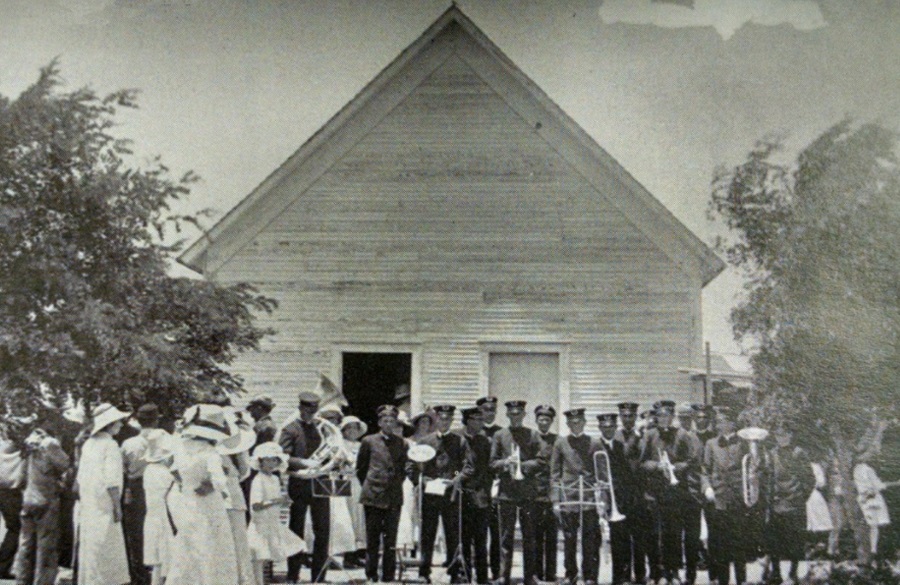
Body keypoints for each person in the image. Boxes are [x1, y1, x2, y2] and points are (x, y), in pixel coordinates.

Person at [166, 404, 239, 585]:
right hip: (208, 505)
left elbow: (173, 469)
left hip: (188, 502)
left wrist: (187, 482)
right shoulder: (209, 453)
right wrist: (212, 485)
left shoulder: (181, 448)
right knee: (211, 546)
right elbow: (220, 481)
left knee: (189, 544)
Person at [639, 400, 694, 585]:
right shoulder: (649, 435)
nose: (664, 419)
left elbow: (689, 461)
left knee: (674, 533)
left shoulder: (683, 435)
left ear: (672, 417)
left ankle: (674, 571)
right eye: (661, 416)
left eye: (667, 416)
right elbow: (642, 462)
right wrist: (657, 466)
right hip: (654, 493)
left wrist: (674, 468)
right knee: (655, 534)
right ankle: (657, 572)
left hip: (675, 492)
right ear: (657, 418)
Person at [76, 403, 131, 585]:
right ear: (110, 424)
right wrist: (117, 506)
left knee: (93, 548)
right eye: (118, 422)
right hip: (105, 504)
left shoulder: (88, 445)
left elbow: (80, 478)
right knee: (108, 548)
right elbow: (112, 481)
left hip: (90, 504)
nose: (121, 425)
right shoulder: (110, 445)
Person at [409, 404, 465, 583]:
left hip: (451, 494)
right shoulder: (425, 441)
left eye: (448, 419)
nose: (444, 422)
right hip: (430, 494)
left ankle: (454, 572)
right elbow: (412, 467)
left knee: (452, 534)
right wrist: (423, 480)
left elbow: (464, 467)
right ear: (437, 420)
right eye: (441, 418)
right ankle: (424, 573)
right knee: (427, 533)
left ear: (451, 420)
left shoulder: (460, 441)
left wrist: (456, 479)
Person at [279, 391, 331, 583]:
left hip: (320, 483)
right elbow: (282, 456)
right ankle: (293, 575)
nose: (311, 414)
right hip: (299, 484)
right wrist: (303, 463)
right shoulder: (290, 429)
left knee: (323, 531)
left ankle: (319, 577)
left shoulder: (322, 428)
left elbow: (331, 450)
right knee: (296, 530)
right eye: (308, 410)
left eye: (314, 410)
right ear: (300, 408)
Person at [490, 400, 541, 585]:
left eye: (519, 414)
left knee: (529, 536)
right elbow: (492, 463)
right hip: (507, 493)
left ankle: (530, 576)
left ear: (524, 415)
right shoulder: (499, 435)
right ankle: (504, 576)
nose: (515, 417)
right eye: (512, 414)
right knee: (505, 537)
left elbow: (540, 461)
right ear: (508, 416)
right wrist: (506, 463)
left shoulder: (533, 434)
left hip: (527, 493)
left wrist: (522, 466)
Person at [357, 405, 408, 583]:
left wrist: (393, 484)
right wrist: (372, 486)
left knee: (390, 541)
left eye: (392, 421)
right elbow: (361, 469)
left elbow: (403, 469)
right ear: (379, 422)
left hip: (393, 497)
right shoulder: (368, 441)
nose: (388, 424)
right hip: (373, 496)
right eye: (385, 420)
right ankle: (371, 575)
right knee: (372, 540)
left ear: (396, 423)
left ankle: (388, 575)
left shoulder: (402, 443)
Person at [13, 426, 70, 585]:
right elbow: (64, 463)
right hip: (46, 499)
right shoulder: (50, 443)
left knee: (26, 544)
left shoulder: (29, 444)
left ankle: (23, 580)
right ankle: (43, 581)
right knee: (46, 546)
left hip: (29, 498)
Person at [550, 408, 599, 585]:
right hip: (568, 497)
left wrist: (602, 498)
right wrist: (556, 499)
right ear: (568, 424)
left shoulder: (594, 443)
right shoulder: (560, 443)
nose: (575, 425)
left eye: (579, 422)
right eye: (572, 423)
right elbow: (555, 473)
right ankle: (571, 574)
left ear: (584, 422)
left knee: (590, 539)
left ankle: (590, 576)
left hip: (588, 497)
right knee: (569, 539)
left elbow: (601, 473)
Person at [702, 407, 750, 585]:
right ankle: (723, 581)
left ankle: (741, 580)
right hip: (718, 499)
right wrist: (707, 487)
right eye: (718, 421)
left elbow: (751, 467)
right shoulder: (711, 443)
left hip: (738, 499)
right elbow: (704, 470)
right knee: (720, 545)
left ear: (732, 423)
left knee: (738, 543)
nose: (719, 424)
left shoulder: (743, 442)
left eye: (723, 421)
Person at [247, 442, 305, 585]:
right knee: (259, 558)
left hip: (272, 521)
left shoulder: (274, 479)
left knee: (268, 557)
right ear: (260, 461)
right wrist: (276, 501)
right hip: (260, 524)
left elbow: (277, 500)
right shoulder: (258, 479)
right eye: (268, 460)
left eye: (274, 460)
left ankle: (265, 581)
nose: (271, 463)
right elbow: (256, 505)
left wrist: (283, 501)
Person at [766, 422, 814, 584]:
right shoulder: (772, 453)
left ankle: (793, 573)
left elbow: (809, 479)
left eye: (785, 434)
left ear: (791, 435)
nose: (782, 438)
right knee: (774, 541)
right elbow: (768, 477)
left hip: (794, 504)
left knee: (795, 541)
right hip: (776, 504)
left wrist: (800, 497)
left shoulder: (799, 453)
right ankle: (776, 573)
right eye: (778, 435)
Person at [120, 403, 161, 585]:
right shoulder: (164, 440)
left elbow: (122, 469)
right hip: (159, 487)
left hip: (135, 488)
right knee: (160, 529)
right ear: (156, 419)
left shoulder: (129, 443)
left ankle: (140, 576)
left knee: (136, 533)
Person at [219, 409, 258, 585]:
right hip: (231, 495)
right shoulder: (234, 450)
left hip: (219, 498)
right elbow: (244, 472)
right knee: (238, 540)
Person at [458, 406, 491, 585]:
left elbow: (488, 469)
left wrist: (484, 489)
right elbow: (454, 466)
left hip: (480, 495)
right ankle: (464, 575)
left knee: (480, 539)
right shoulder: (456, 438)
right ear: (467, 421)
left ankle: (483, 578)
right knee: (462, 538)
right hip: (460, 496)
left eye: (481, 419)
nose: (480, 423)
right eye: (476, 420)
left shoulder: (485, 441)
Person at [596, 413, 630, 585]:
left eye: (611, 427)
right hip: (601, 497)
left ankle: (620, 578)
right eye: (604, 427)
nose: (608, 430)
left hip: (619, 499)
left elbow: (626, 474)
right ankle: (591, 578)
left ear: (615, 428)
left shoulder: (621, 446)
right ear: (600, 428)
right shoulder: (595, 446)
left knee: (620, 540)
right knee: (596, 540)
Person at [615, 402, 647, 585]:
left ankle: (641, 575)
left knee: (640, 538)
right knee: (621, 538)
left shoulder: (644, 436)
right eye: (624, 416)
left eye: (631, 416)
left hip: (640, 493)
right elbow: (625, 455)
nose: (628, 419)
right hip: (621, 494)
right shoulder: (617, 436)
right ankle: (623, 576)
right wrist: (635, 435)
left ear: (635, 417)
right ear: (621, 417)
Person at [141, 428, 175, 585]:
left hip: (153, 516)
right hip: (165, 517)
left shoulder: (149, 470)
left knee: (158, 560)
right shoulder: (166, 473)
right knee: (167, 556)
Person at [532, 404, 558, 584]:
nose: (544, 423)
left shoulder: (558, 440)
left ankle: (551, 573)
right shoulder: (530, 439)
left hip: (551, 494)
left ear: (551, 422)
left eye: (547, 420)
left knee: (552, 536)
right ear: (536, 420)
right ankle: (536, 572)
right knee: (535, 537)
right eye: (541, 419)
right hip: (534, 494)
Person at [477, 396, 502, 581]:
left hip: (497, 487)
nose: (489, 412)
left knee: (496, 531)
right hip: (476, 489)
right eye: (486, 409)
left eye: (492, 409)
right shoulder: (472, 433)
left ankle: (496, 569)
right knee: (477, 533)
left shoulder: (502, 432)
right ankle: (476, 570)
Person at [339, 416, 368, 569]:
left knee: (358, 516)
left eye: (355, 428)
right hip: (343, 482)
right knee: (345, 516)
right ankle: (346, 554)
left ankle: (357, 553)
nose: (352, 431)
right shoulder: (338, 444)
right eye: (348, 428)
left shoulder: (362, 445)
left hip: (357, 482)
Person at [854, 448, 891, 556]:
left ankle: (871, 548)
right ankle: (873, 548)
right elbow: (878, 486)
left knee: (871, 524)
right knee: (874, 525)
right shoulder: (868, 469)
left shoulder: (856, 469)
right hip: (871, 498)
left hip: (863, 498)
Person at [0, 433, 25, 580]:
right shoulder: (19, 450)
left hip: (2, 490)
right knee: (15, 528)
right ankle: (3, 566)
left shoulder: (3, 446)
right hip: (11, 491)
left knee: (13, 527)